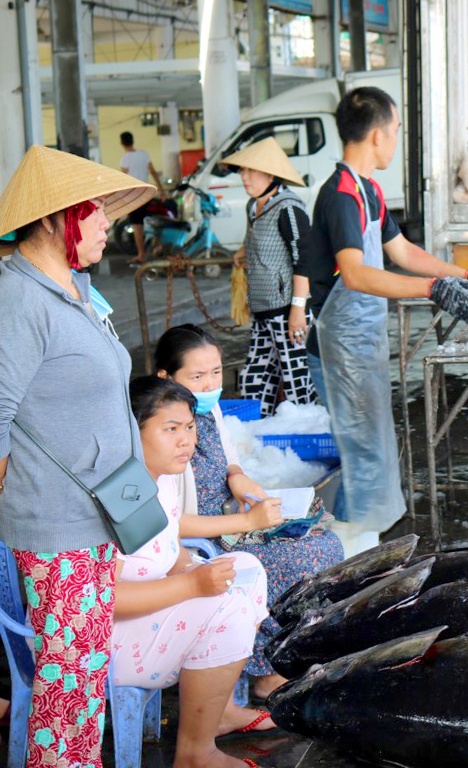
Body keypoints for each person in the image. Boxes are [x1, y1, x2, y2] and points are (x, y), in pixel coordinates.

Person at [0, 145, 154, 767]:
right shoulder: (20, 300)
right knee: (67, 689)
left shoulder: (71, 288)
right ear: (52, 218)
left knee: (84, 678)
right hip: (54, 528)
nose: (107, 223)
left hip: (93, 518)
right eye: (96, 211)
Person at [295, 85, 468, 552]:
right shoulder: (341, 194)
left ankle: (356, 540)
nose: (396, 138)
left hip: (359, 344)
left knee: (371, 445)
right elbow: (358, 274)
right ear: (378, 135)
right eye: (397, 129)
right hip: (337, 346)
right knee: (362, 449)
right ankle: (352, 555)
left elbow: (402, 252)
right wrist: (432, 290)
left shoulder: (369, 190)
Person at [153, 323, 344, 699]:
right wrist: (247, 522)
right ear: (165, 377)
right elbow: (164, 524)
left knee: (327, 544)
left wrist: (237, 475)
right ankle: (265, 669)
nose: (209, 384)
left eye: (215, 373)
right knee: (302, 558)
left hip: (227, 524)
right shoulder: (158, 428)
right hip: (197, 543)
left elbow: (228, 456)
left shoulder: (204, 413)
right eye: (196, 376)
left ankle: (291, 655)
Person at [118, 376, 273, 768]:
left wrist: (191, 568)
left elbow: (168, 550)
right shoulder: (117, 494)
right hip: (106, 638)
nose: (185, 440)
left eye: (189, 428)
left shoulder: (163, 480)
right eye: (170, 429)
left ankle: (216, 712)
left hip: (150, 611)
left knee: (246, 569)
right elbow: (104, 598)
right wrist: (191, 584)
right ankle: (194, 753)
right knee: (228, 609)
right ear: (132, 431)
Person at [221, 137, 318, 416]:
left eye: (251, 170)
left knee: (298, 384)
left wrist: (298, 310)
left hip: (289, 311)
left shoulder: (289, 209)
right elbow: (261, 241)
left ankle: (307, 441)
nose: (245, 176)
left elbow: (304, 260)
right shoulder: (253, 207)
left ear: (271, 174)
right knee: (255, 379)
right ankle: (255, 437)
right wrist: (243, 251)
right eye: (242, 170)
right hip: (263, 311)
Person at [120, 131, 166, 264]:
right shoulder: (143, 154)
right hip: (147, 193)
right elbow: (153, 172)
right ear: (133, 140)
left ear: (122, 143)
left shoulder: (125, 158)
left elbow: (123, 177)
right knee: (154, 221)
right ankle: (157, 247)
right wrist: (161, 191)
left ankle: (141, 254)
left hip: (134, 196)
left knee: (137, 226)